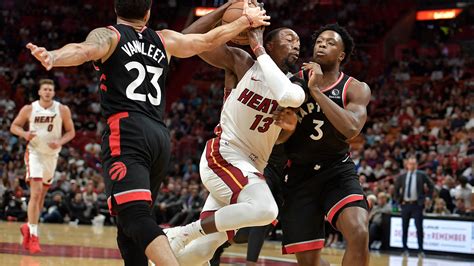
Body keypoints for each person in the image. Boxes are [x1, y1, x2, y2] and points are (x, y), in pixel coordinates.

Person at [26, 0, 270, 265]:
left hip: (127, 131)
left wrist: (54, 56)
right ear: (148, 12)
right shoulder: (163, 39)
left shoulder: (110, 35)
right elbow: (207, 40)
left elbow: (82, 50)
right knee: (127, 228)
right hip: (158, 137)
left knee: (134, 216)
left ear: (116, 10)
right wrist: (243, 22)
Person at [165, 4, 306, 266]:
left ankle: (156, 258)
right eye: (288, 39)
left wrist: (288, 130)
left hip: (251, 167)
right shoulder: (243, 64)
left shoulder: (294, 84)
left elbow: (278, 134)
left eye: (298, 41)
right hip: (225, 155)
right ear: (270, 44)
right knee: (266, 208)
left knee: (203, 251)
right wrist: (225, 10)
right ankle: (179, 232)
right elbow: (187, 40)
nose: (296, 44)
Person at [281, 23, 371, 266]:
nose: (322, 44)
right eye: (320, 41)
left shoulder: (355, 88)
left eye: (330, 42)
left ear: (341, 55)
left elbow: (351, 129)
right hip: (298, 174)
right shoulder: (291, 83)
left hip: (336, 170)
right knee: (309, 263)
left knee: (359, 232)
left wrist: (317, 93)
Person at [10, 78, 75, 254]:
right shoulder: (29, 108)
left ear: (53, 93)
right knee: (36, 193)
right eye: (44, 89)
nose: (47, 92)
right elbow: (14, 126)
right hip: (35, 153)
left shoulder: (62, 109)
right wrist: (25, 134)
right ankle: (34, 236)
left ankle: (27, 227)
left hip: (51, 156)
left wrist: (60, 141)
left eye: (50, 90)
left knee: (40, 199)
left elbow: (71, 132)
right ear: (39, 92)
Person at [394, 155, 434, 258]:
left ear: (416, 165)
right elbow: (395, 189)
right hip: (405, 205)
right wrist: (399, 200)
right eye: (410, 163)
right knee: (404, 228)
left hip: (417, 205)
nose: (412, 165)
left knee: (419, 228)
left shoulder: (421, 175)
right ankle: (404, 249)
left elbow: (431, 185)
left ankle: (420, 250)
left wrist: (428, 197)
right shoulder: (402, 176)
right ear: (407, 165)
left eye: (414, 163)